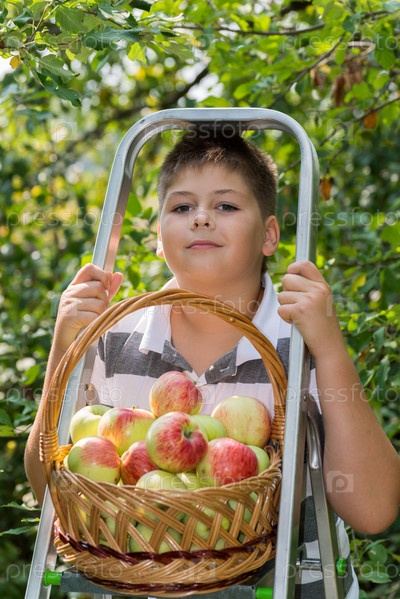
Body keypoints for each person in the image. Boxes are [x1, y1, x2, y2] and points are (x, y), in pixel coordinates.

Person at [25, 131, 400, 597]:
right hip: (145, 583)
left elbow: (374, 509)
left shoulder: (298, 345)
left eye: (225, 206)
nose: (201, 218)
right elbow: (49, 491)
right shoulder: (115, 339)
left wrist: (330, 349)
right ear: (158, 238)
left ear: (269, 235)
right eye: (182, 207)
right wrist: (65, 346)